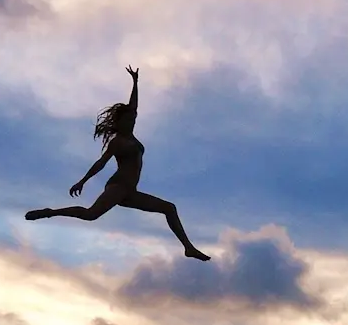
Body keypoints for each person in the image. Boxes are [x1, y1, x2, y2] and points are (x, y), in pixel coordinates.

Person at [25, 67, 210, 261]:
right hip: (117, 186)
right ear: (119, 123)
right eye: (128, 119)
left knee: (169, 208)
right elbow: (101, 162)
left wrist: (135, 82)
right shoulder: (118, 142)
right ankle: (49, 213)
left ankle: (188, 248)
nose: (132, 120)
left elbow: (134, 107)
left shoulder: (132, 136)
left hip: (130, 192)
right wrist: (83, 181)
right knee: (90, 215)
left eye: (132, 118)